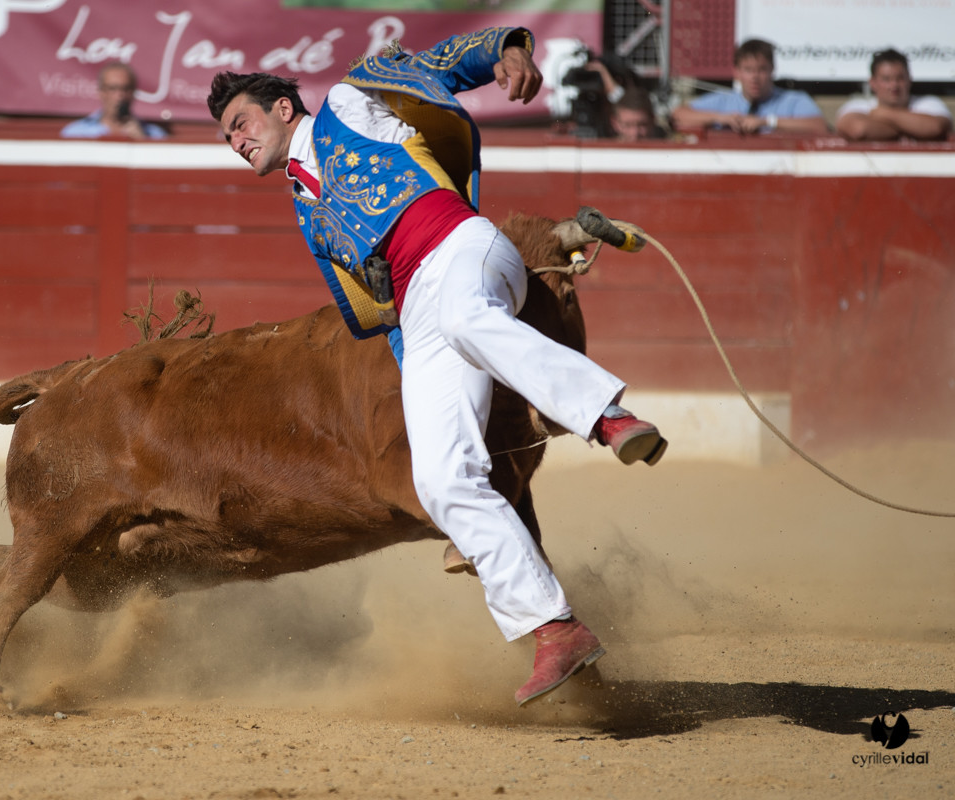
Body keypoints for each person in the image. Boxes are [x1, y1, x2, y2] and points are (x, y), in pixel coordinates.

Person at [207, 28, 668, 708]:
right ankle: (553, 629)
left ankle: (607, 413)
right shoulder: (308, 208)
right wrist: (432, 392)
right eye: (226, 138)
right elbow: (385, 310)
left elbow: (435, 66)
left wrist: (507, 53)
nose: (236, 140)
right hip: (419, 309)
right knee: (441, 478)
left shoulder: (344, 102)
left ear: (281, 109)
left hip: (462, 248)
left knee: (463, 317)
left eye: (240, 122)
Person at [671, 38, 828, 135]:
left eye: (761, 69)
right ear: (736, 72)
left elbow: (820, 127)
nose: (754, 77)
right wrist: (721, 118)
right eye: (748, 70)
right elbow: (678, 115)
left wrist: (766, 122)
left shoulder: (793, 100)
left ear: (772, 69)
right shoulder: (724, 101)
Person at [836, 49, 952, 142]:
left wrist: (881, 113)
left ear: (909, 79)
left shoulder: (929, 103)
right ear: (872, 82)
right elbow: (858, 130)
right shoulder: (857, 105)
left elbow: (935, 128)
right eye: (886, 79)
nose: (894, 85)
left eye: (900, 78)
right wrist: (912, 128)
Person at [61, 63, 168, 140]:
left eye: (125, 89)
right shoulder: (76, 133)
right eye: (113, 89)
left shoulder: (154, 135)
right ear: (101, 92)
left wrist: (141, 142)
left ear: (133, 93)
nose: (120, 96)